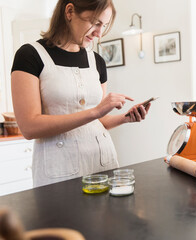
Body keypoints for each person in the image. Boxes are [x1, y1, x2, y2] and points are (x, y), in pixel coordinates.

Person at [11, 0, 150, 187]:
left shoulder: (97, 61)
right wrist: (96, 111)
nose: (99, 33)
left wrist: (126, 117)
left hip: (102, 163)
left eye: (104, 25)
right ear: (69, 11)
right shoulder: (30, 55)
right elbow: (29, 127)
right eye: (95, 22)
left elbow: (95, 122)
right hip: (59, 170)